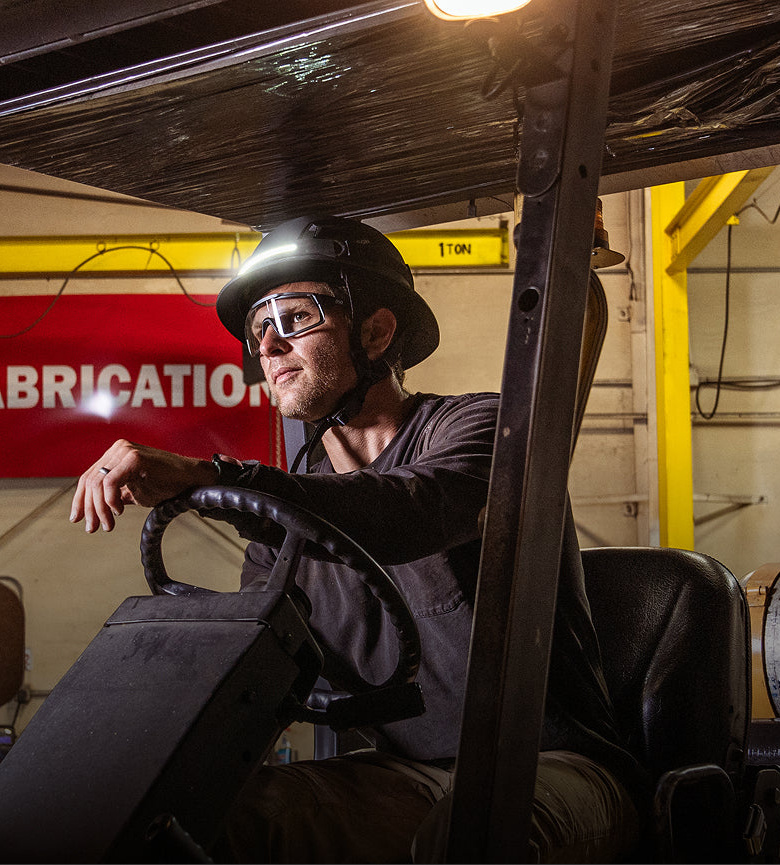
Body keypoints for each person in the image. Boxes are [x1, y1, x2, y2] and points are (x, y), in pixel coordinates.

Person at [69, 216, 643, 862]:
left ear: (376, 330)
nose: (269, 345)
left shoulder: (484, 429)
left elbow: (412, 509)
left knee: (470, 834)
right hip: (404, 773)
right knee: (199, 822)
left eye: (294, 317)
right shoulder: (280, 530)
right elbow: (256, 668)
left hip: (555, 764)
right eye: (259, 328)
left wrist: (216, 476)